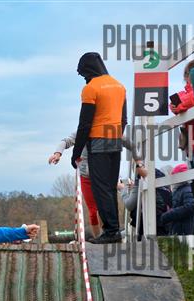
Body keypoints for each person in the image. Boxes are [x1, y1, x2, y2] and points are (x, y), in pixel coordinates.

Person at [71, 52, 127, 244]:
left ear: (88, 70)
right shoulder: (119, 86)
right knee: (110, 187)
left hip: (97, 142)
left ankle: (111, 232)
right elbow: (124, 119)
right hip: (115, 141)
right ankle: (114, 230)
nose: (84, 78)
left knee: (100, 188)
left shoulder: (91, 88)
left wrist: (76, 152)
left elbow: (85, 123)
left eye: (83, 74)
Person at [159, 164, 194, 236]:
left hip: (188, 231)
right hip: (185, 230)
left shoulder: (187, 189)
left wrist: (168, 215)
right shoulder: (180, 190)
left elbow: (191, 206)